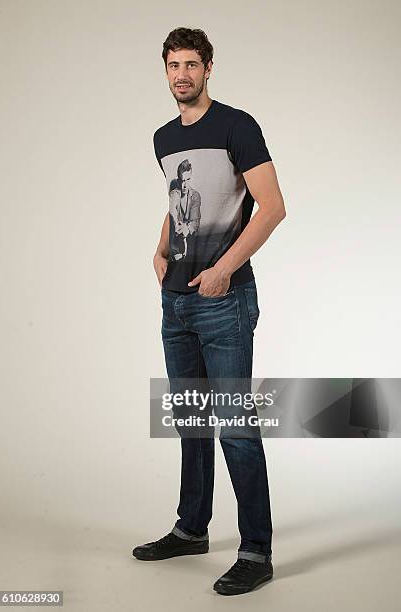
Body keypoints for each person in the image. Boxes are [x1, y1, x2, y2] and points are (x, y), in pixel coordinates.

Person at [133, 27, 286, 596]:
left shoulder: (238, 126)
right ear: (165, 69)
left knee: (235, 428)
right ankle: (192, 529)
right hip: (176, 300)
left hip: (224, 300)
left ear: (209, 67)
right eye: (173, 65)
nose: (181, 75)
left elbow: (271, 208)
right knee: (192, 425)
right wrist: (160, 246)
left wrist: (224, 269)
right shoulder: (163, 138)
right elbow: (180, 203)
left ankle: (256, 551)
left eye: (191, 64)